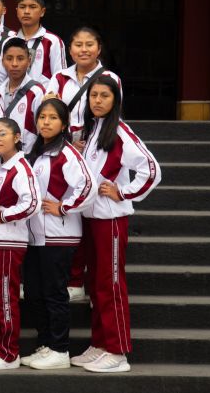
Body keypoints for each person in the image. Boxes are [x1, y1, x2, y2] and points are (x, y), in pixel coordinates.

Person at [71, 75, 161, 373]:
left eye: (104, 96)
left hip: (110, 219)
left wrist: (123, 192)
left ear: (115, 100)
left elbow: (151, 170)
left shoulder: (121, 132)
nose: (97, 101)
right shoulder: (93, 129)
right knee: (95, 284)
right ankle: (100, 343)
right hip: (90, 218)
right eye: (93, 95)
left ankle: (118, 350)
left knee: (110, 284)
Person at [45, 27, 122, 301]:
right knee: (72, 213)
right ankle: (74, 279)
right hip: (66, 151)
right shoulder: (59, 78)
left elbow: (109, 115)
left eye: (90, 44)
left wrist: (86, 141)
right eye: (78, 44)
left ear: (99, 48)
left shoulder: (109, 78)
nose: (84, 49)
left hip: (96, 150)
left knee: (93, 217)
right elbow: (50, 112)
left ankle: (95, 285)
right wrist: (67, 140)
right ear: (70, 49)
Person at [20, 98, 96, 370]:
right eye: (42, 117)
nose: (46, 122)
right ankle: (45, 344)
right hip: (35, 235)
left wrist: (64, 206)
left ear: (64, 124)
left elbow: (88, 186)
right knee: (34, 292)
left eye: (53, 118)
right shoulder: (37, 151)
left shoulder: (66, 153)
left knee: (54, 293)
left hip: (58, 235)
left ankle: (60, 348)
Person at [0, 118, 42, 370]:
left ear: (16, 137)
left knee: (3, 298)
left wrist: (2, 215)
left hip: (8, 243)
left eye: (3, 134)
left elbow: (32, 203)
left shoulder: (21, 168)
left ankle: (8, 352)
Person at [0, 38, 46, 153]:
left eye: (20, 58)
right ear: (2, 61)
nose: (14, 64)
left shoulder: (37, 92)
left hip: (27, 158)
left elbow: (42, 131)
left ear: (29, 61)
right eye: (9, 58)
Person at [14, 0, 66, 87]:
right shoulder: (10, 40)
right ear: (17, 11)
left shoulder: (52, 41)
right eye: (22, 7)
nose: (26, 11)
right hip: (13, 100)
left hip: (43, 99)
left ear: (42, 12)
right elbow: (2, 76)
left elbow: (60, 77)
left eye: (32, 7)